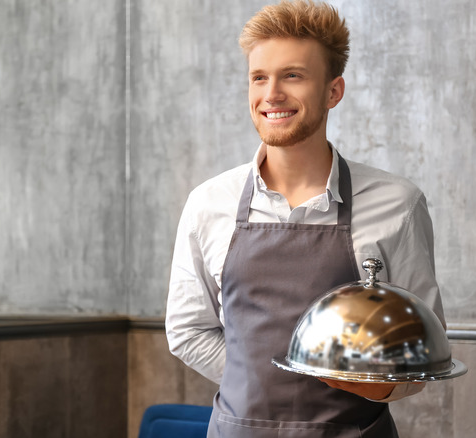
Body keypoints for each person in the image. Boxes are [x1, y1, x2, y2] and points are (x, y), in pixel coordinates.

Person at [165, 1, 446, 436]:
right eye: (259, 77)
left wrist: (377, 389)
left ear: (334, 91)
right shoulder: (208, 203)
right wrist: (254, 385)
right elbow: (187, 331)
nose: (271, 94)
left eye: (292, 75)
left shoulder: (398, 204)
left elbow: (424, 348)